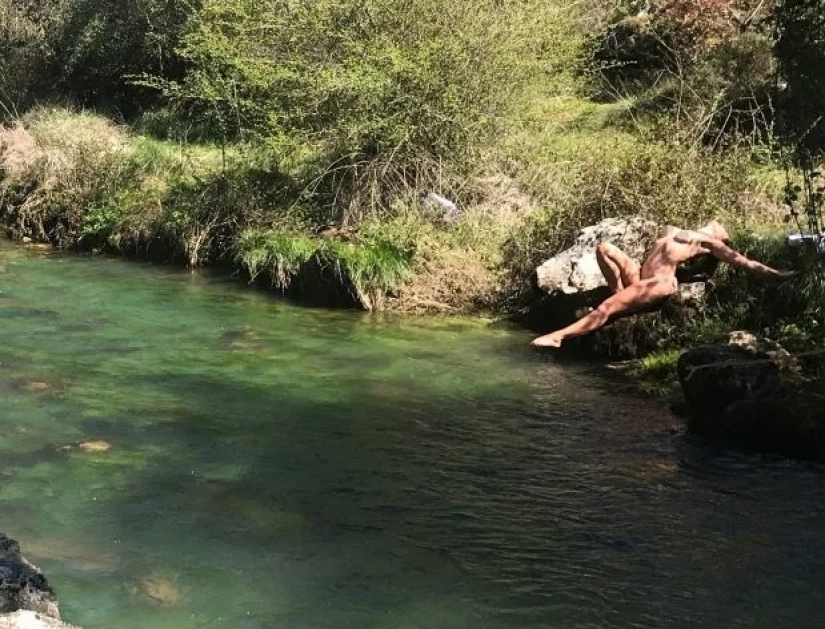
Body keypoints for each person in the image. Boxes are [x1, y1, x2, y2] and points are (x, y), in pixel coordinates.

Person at [531, 219, 797, 348]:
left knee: (606, 308)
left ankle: (559, 336)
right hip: (641, 276)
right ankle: (619, 292)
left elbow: (743, 262)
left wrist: (777, 274)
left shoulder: (709, 243)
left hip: (658, 284)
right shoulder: (678, 231)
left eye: (719, 229)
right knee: (604, 248)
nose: (715, 224)